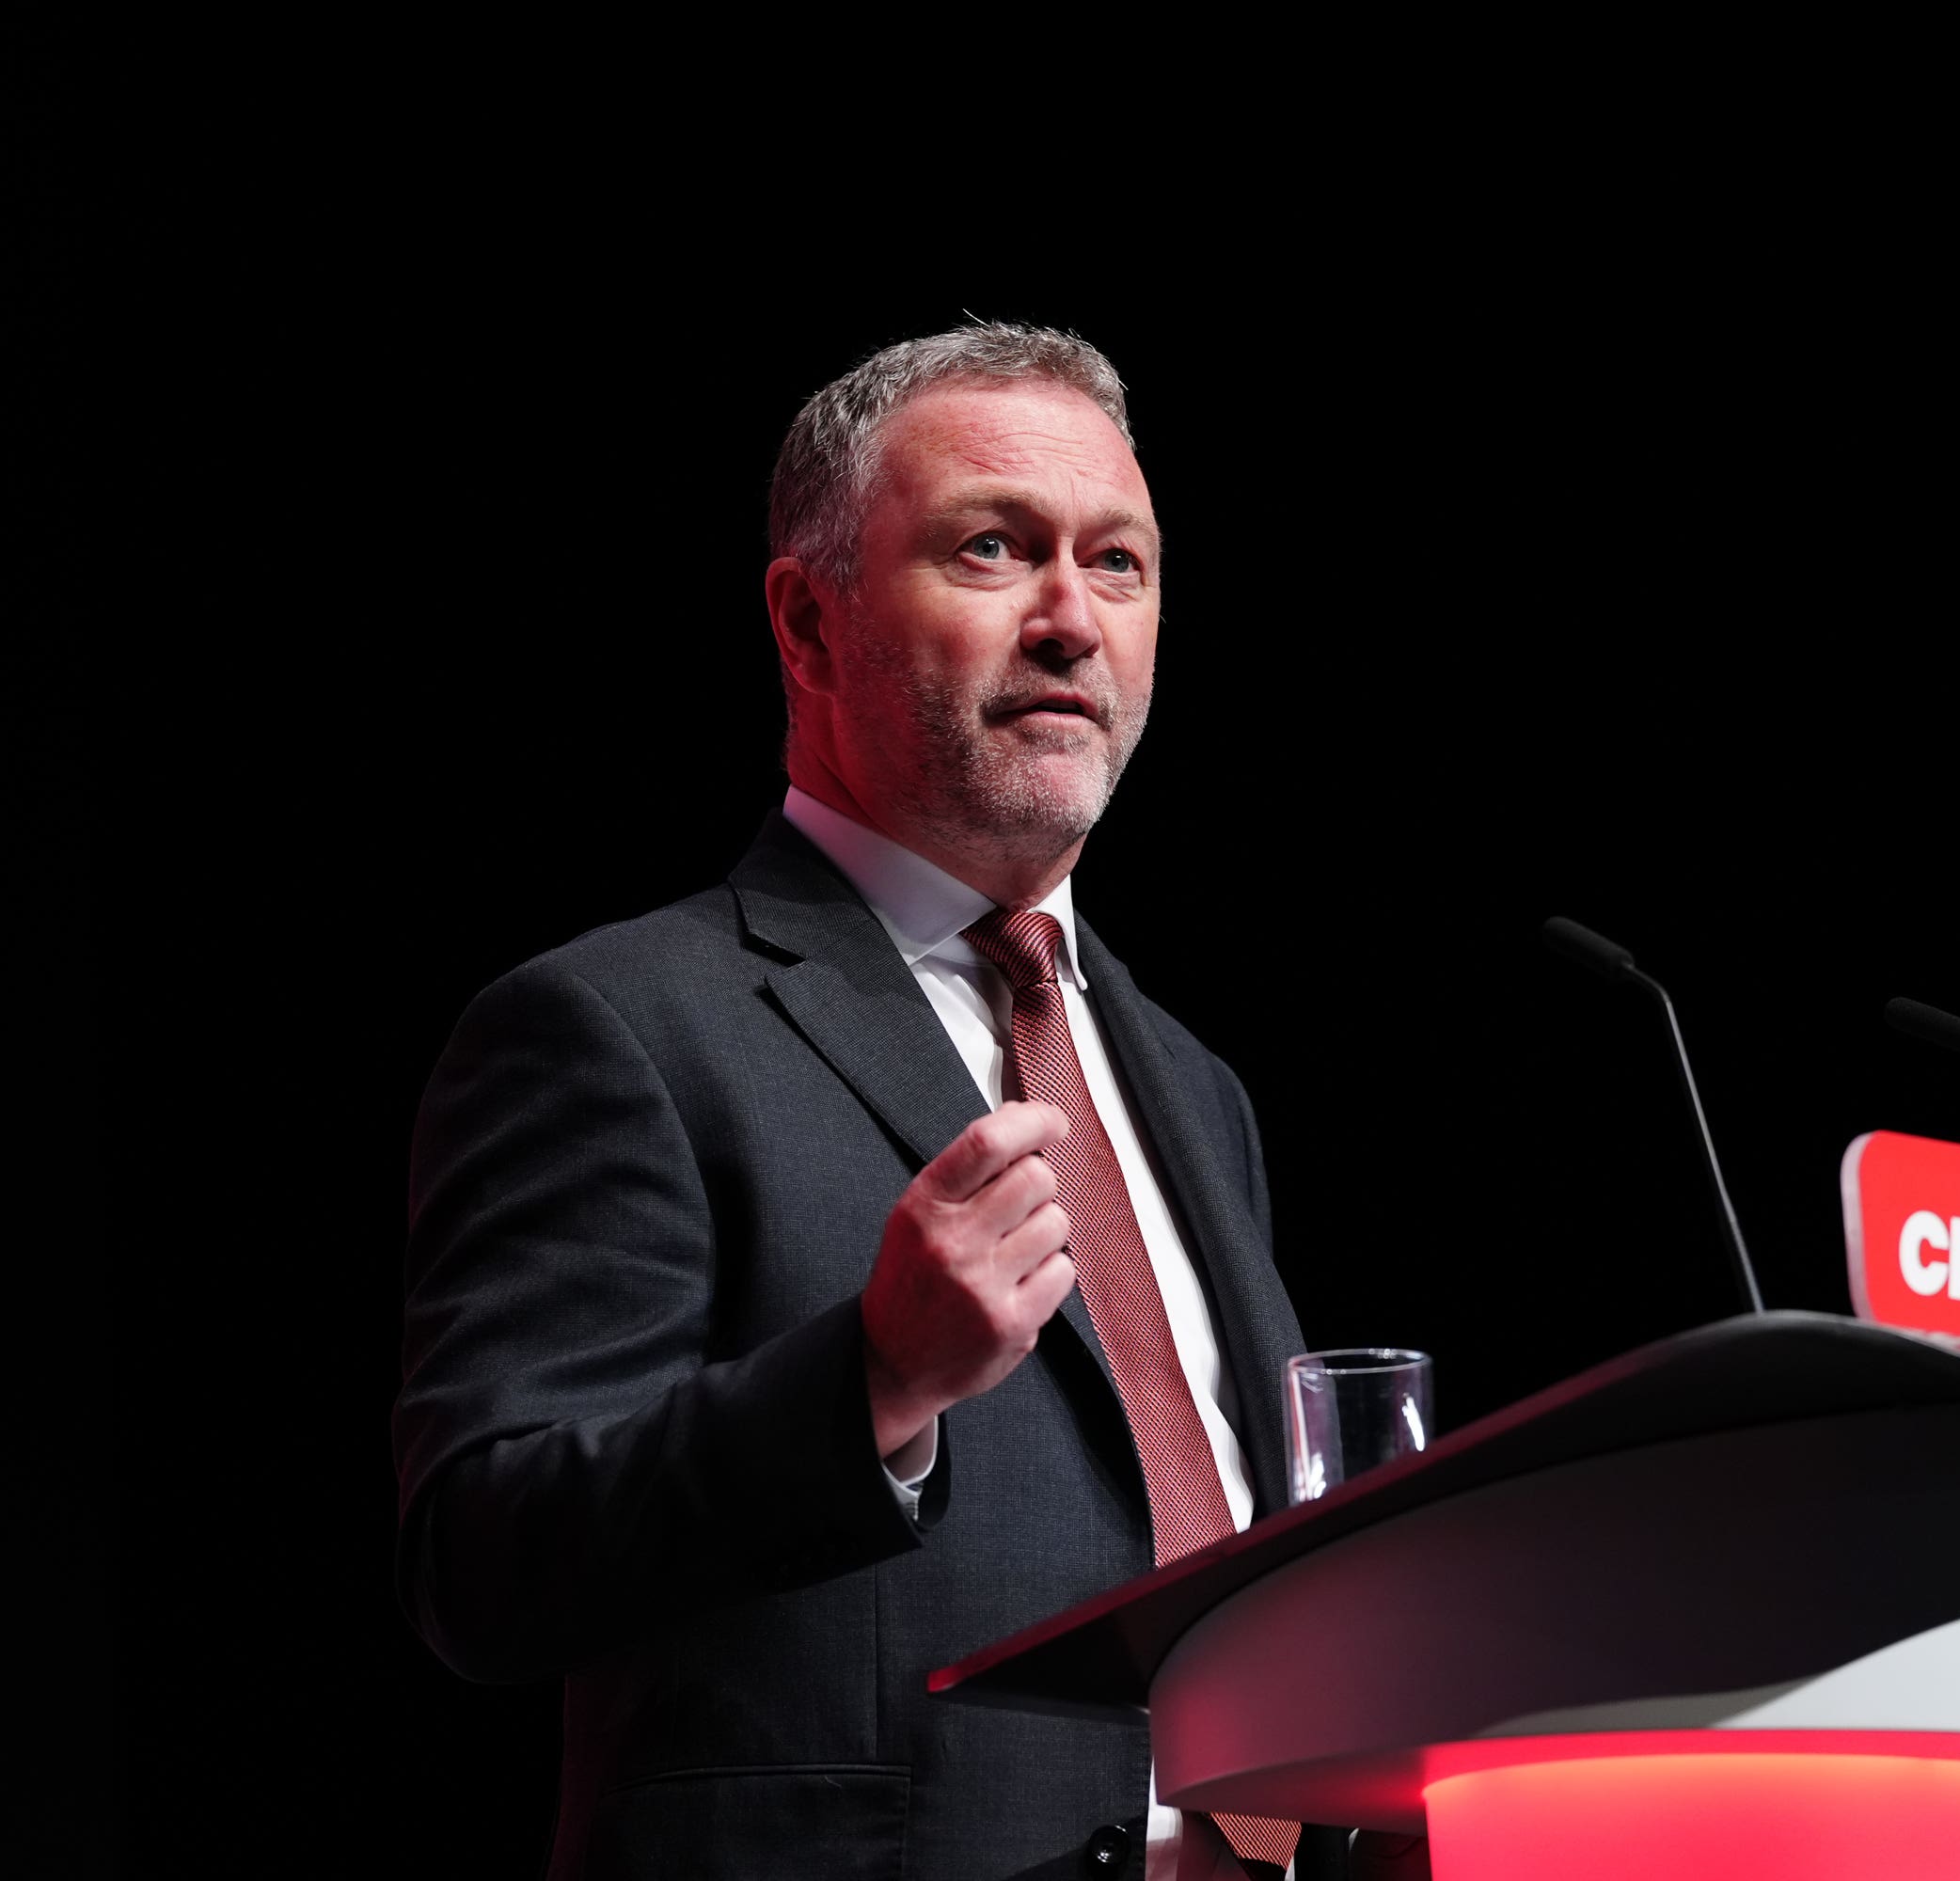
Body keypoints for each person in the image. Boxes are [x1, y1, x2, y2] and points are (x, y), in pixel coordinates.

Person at [395, 324, 1345, 1880]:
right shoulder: (618, 1028)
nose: (1070, 622)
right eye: (993, 548)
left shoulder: (1193, 1086)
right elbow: (482, 1562)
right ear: (807, 623)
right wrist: (873, 1384)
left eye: (1119, 564)